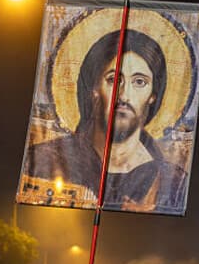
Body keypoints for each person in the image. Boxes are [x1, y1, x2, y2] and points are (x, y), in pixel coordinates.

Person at [24, 30, 187, 214]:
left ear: (153, 96)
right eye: (113, 79)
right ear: (94, 88)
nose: (124, 95)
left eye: (139, 82)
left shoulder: (171, 181)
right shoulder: (47, 157)